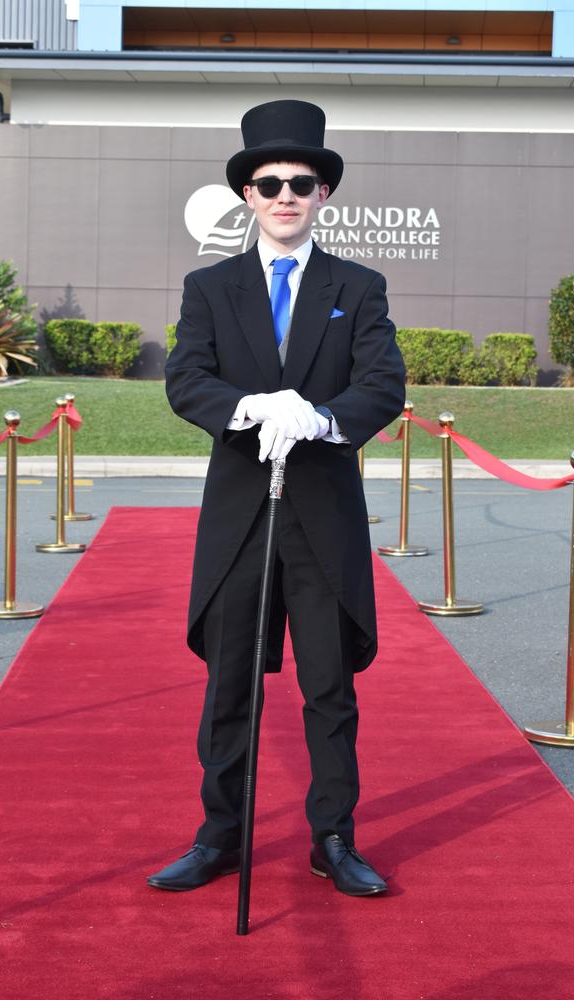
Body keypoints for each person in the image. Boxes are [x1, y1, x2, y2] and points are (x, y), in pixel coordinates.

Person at [150, 100, 405, 897]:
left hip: (323, 516)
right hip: (240, 519)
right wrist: (252, 405)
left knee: (329, 689)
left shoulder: (357, 286)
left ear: (323, 193)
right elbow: (186, 378)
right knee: (230, 688)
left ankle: (333, 837)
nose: (286, 194)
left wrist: (323, 417)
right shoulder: (211, 285)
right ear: (249, 196)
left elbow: (383, 385)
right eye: (270, 183)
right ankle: (220, 835)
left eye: (302, 181)